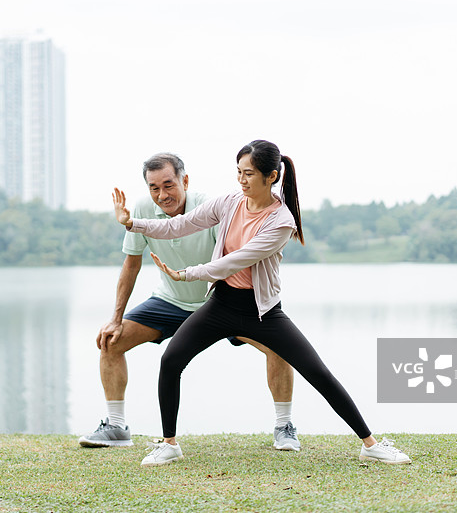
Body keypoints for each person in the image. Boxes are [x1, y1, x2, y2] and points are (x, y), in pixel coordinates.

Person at [112, 140, 411, 467]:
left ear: (271, 176)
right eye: (238, 172)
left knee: (317, 372)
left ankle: (369, 443)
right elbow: (179, 225)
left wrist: (186, 274)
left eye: (249, 174)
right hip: (221, 305)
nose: (241, 180)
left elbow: (236, 261)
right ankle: (169, 443)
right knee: (171, 360)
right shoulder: (229, 203)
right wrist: (132, 223)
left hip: (262, 313)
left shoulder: (281, 221)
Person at [80, 152, 302, 452]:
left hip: (221, 302)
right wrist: (116, 318)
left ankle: (284, 426)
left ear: (185, 180)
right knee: (110, 341)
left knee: (280, 347)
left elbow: (233, 259)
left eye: (169, 185)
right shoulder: (142, 209)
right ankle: (117, 427)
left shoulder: (213, 207)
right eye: (154, 187)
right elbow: (131, 265)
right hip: (170, 301)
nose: (162, 194)